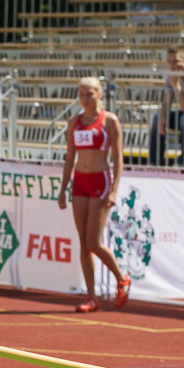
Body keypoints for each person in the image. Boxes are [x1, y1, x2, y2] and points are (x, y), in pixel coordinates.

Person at [57, 77, 130, 313]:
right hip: (80, 182)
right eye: (81, 94)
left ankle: (121, 278)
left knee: (93, 242)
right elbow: (70, 156)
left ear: (99, 94)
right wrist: (63, 188)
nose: (85, 99)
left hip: (100, 181)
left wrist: (114, 189)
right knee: (82, 243)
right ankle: (91, 296)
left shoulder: (109, 121)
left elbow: (118, 158)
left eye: (89, 94)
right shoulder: (74, 121)